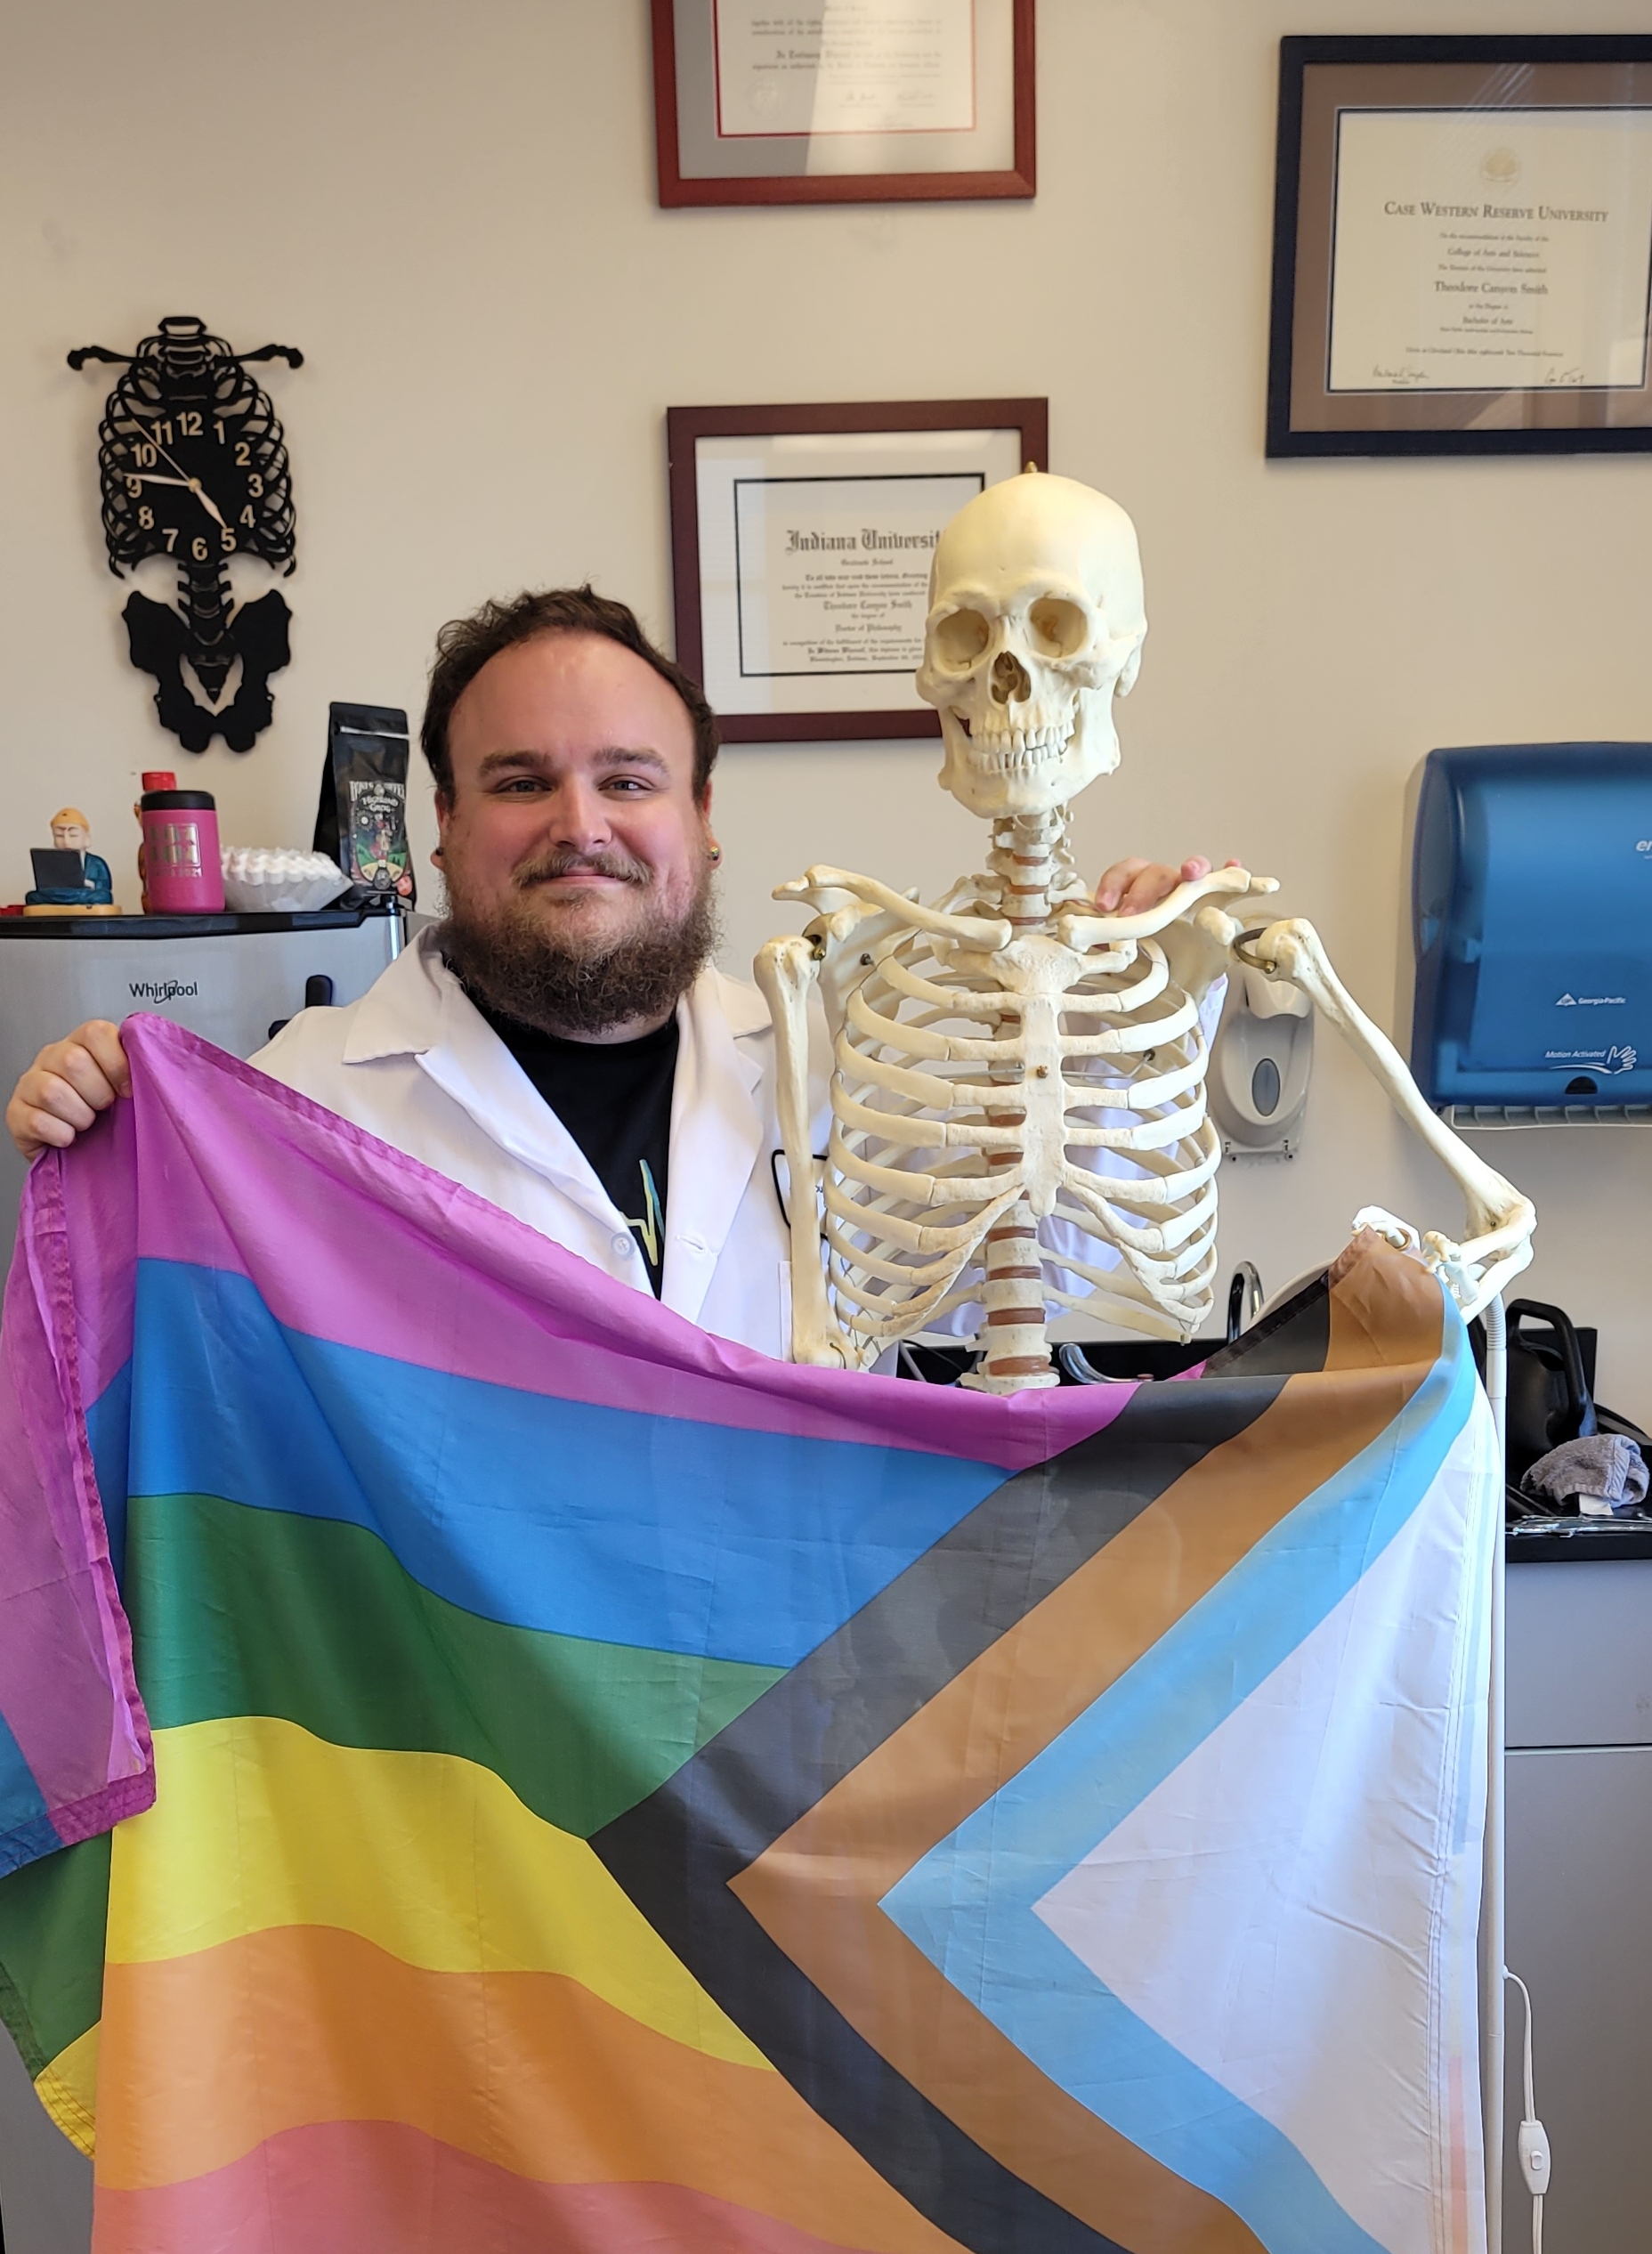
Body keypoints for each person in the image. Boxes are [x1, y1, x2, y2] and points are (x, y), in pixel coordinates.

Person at [6, 588, 1224, 1358]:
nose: (578, 824)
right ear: (441, 825)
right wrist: (102, 1136)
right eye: (522, 781)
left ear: (702, 820)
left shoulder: (829, 1075)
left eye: (628, 781)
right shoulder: (301, 1102)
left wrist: (1127, 1023)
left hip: (792, 1701)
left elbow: (1030, 1294)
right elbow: (147, 1385)